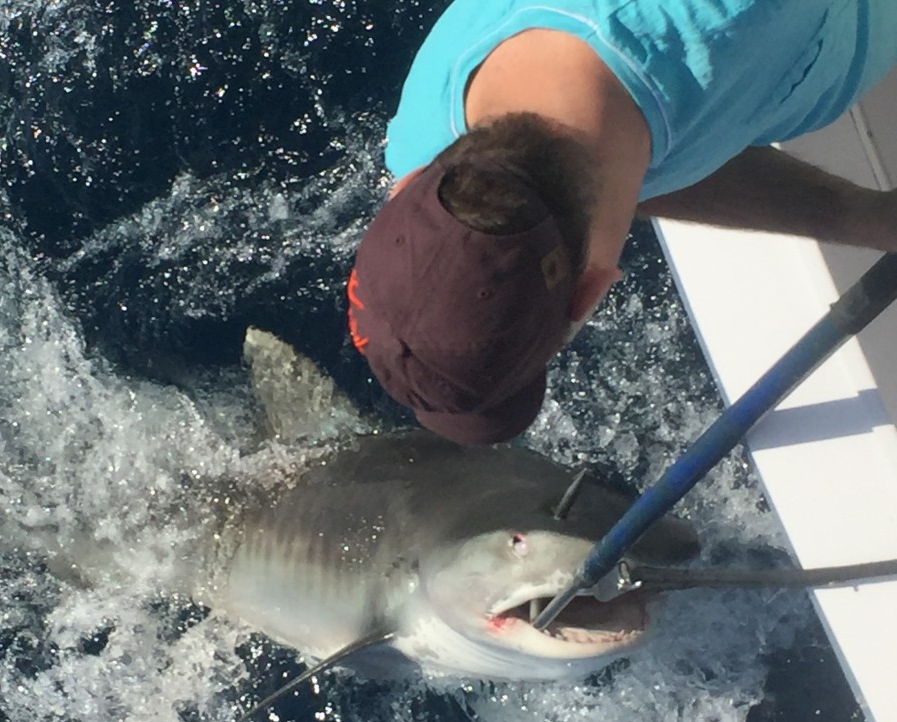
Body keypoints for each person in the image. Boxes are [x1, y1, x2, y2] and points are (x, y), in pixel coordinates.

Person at [345, 0, 897, 445]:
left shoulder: (745, 16)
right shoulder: (429, 135)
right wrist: (865, 218)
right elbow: (623, 173)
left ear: (590, 294)